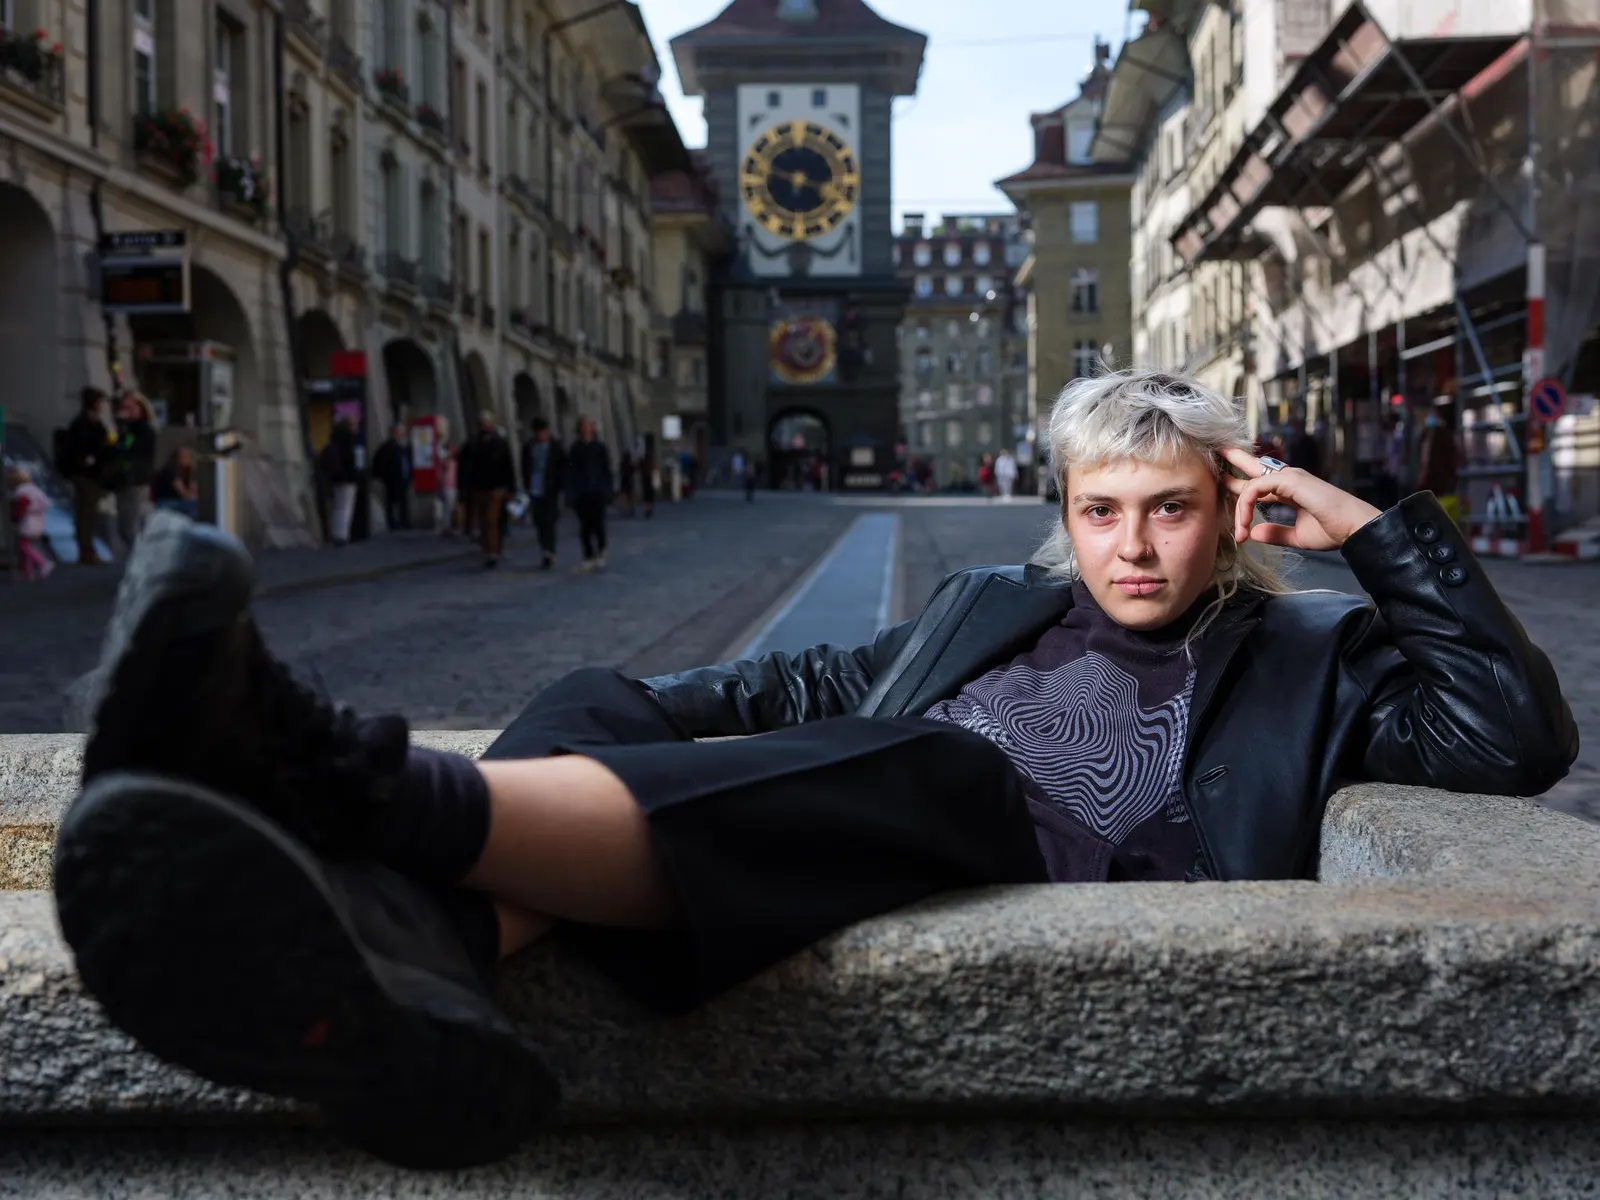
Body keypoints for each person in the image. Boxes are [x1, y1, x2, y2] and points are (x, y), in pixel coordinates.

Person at [52, 369, 1576, 1170]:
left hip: (983, 842)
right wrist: (634, 704)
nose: (1132, 544)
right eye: (1102, 509)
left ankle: (338, 780)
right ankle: (425, 973)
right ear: (1064, 508)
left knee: (933, 770)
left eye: (1171, 510)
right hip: (849, 798)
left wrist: (1371, 531)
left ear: (1231, 515)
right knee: (608, 694)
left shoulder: (1313, 658)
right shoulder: (1002, 606)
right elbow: (799, 680)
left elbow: (1512, 734)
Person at [60, 386, 114, 565]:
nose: (103, 406)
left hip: (93, 474)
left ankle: (87, 548)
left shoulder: (94, 423)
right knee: (86, 512)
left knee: (89, 513)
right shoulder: (82, 424)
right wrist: (90, 461)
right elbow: (83, 450)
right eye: (100, 402)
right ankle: (86, 550)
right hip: (85, 475)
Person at [458, 410, 515, 568]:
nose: (484, 424)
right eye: (482, 422)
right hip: (478, 487)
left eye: (487, 421)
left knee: (492, 519)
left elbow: (508, 466)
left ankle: (493, 552)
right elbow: (463, 468)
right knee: (483, 521)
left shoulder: (499, 443)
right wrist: (463, 488)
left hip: (496, 488)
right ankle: (488, 550)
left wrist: (510, 488)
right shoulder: (472, 443)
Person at [110, 393, 158, 553]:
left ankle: (142, 559)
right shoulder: (130, 429)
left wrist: (124, 428)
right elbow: (119, 448)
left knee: (131, 527)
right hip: (125, 480)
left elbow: (131, 448)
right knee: (125, 526)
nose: (126, 412)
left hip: (136, 480)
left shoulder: (143, 429)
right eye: (124, 408)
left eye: (130, 408)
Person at [567, 416, 612, 572]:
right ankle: (588, 555)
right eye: (583, 427)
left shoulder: (599, 447)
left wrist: (607, 490)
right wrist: (571, 492)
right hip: (582, 491)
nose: (586, 429)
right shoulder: (575, 448)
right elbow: (571, 471)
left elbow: (606, 470)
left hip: (597, 490)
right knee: (584, 526)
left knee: (598, 523)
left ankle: (601, 550)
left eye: (588, 426)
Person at [520, 419, 567, 570]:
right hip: (535, 488)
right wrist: (526, 484)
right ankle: (544, 550)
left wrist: (561, 485)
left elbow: (563, 466)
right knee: (539, 521)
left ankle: (550, 551)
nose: (541, 435)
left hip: (551, 489)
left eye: (543, 432)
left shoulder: (555, 446)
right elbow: (525, 466)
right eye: (538, 432)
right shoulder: (529, 447)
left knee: (550, 521)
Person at [6, 464, 54, 580]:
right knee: (29, 546)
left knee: (24, 546)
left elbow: (22, 505)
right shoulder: (34, 489)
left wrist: (15, 517)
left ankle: (43, 562)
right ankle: (28, 571)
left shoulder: (21, 491)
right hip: (38, 520)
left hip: (28, 521)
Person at [1417, 404, 1460, 525]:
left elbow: (1450, 458)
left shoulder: (1443, 435)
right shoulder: (1425, 435)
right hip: (1430, 478)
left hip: (1439, 477)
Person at [321, 417, 360, 545]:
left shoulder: (335, 440)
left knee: (338, 507)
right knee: (345, 507)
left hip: (335, 478)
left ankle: (337, 534)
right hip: (347, 478)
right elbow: (350, 461)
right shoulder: (349, 441)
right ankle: (342, 535)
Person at [372, 425, 413, 532]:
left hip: (403, 478)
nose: (402, 434)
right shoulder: (387, 448)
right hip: (392, 479)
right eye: (400, 432)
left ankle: (404, 521)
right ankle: (393, 523)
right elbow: (379, 464)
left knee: (403, 501)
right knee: (391, 501)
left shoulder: (403, 447)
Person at [149, 446, 200, 519]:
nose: (187, 458)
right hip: (165, 502)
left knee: (195, 504)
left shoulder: (188, 472)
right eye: (184, 456)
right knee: (192, 506)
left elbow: (194, 493)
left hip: (179, 501)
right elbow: (184, 493)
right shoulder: (169, 472)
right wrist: (192, 496)